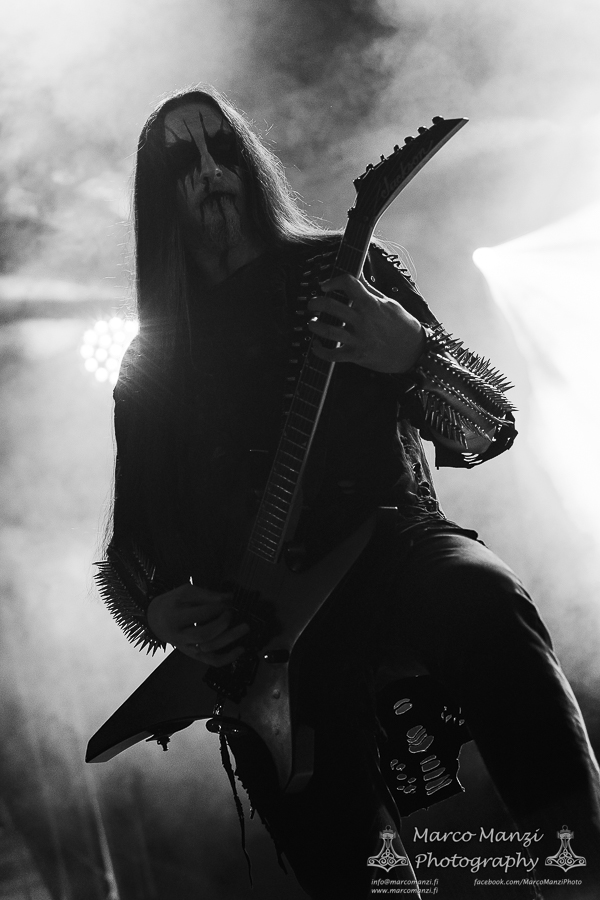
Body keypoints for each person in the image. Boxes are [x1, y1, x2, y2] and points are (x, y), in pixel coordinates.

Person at [96, 86, 600, 899]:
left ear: (251, 164)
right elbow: (131, 547)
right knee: (339, 852)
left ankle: (581, 864)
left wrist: (412, 354)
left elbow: (488, 427)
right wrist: (157, 607)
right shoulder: (152, 358)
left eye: (224, 150)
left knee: (483, 600)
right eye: (185, 161)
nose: (211, 171)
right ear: (158, 196)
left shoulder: (343, 268)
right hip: (264, 628)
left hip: (394, 547)